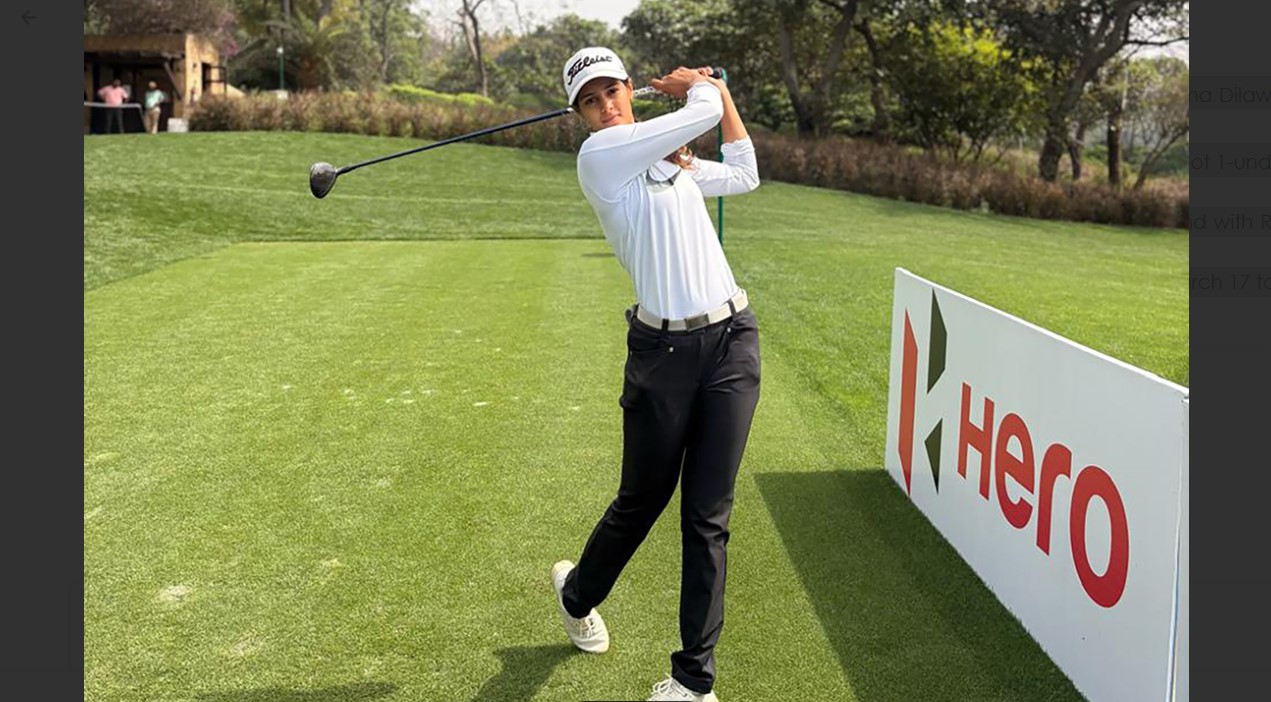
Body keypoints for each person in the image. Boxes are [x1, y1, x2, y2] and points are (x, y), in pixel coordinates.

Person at [550, 47, 761, 702]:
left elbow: (745, 173)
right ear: (581, 115)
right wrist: (698, 86)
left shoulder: (673, 161)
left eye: (612, 91)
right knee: (642, 500)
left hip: (731, 340)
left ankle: (693, 681)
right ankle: (577, 594)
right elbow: (698, 110)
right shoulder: (600, 158)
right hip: (661, 355)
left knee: (707, 516)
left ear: (628, 91)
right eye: (590, 100)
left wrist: (718, 96)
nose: (605, 105)